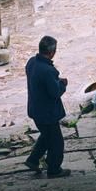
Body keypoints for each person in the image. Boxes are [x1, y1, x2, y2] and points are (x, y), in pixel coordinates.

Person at [24, 36, 70, 178]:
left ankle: (33, 160)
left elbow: (41, 83)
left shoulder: (32, 62)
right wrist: (62, 84)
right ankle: (54, 169)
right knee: (56, 142)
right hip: (47, 113)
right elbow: (55, 92)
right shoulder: (48, 70)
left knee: (46, 136)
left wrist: (55, 81)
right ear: (52, 52)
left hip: (35, 109)